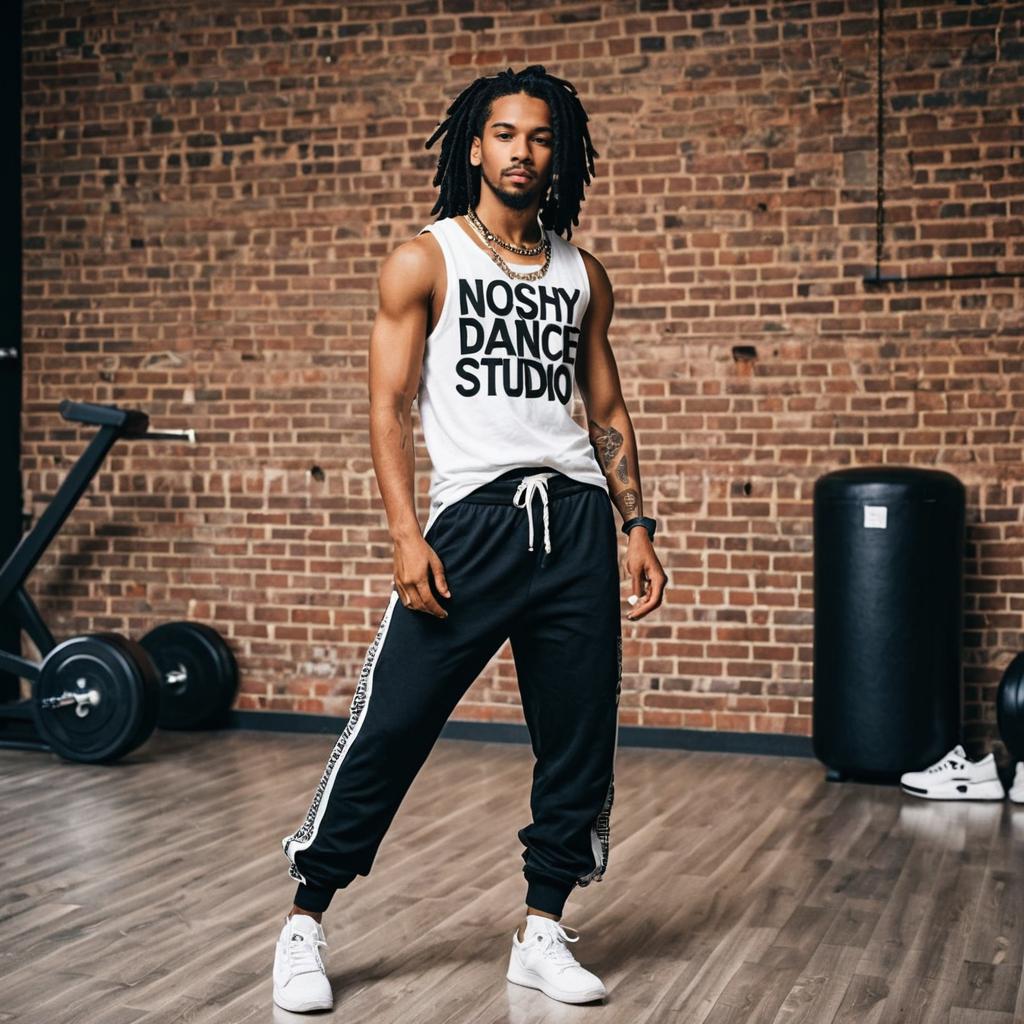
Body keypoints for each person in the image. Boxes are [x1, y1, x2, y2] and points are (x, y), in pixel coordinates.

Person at [272, 64, 667, 1013]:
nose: (521, 152)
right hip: (473, 525)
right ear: (474, 146)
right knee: (393, 722)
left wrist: (636, 524)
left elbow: (604, 407)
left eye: (539, 137)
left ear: (556, 152)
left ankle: (541, 930)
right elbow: (388, 406)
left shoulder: (582, 273)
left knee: (577, 738)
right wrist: (407, 534)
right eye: (503, 134)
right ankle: (304, 920)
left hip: (573, 525)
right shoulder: (427, 259)